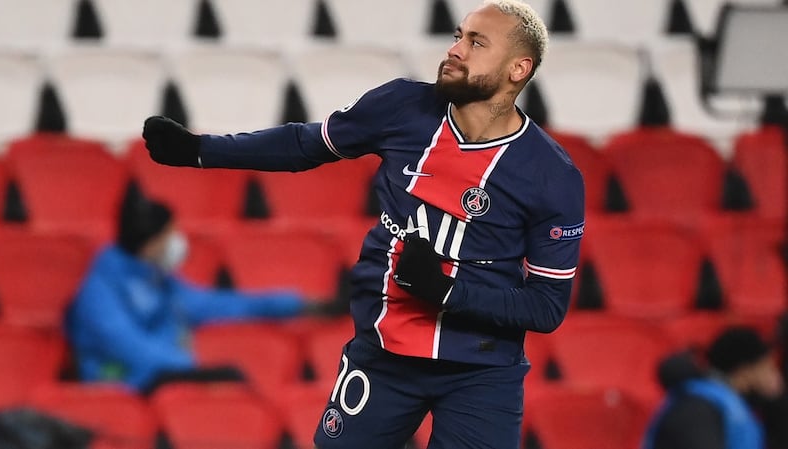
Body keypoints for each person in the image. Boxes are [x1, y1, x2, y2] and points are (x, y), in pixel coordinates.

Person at [141, 1, 584, 448]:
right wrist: (200, 150)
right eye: (458, 35)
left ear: (518, 69)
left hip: (483, 371)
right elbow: (304, 144)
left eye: (476, 42)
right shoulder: (402, 106)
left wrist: (448, 292)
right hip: (383, 353)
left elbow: (546, 307)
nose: (455, 50)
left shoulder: (553, 177)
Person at [66, 190, 314, 394]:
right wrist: (194, 371)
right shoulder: (98, 292)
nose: (178, 241)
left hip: (167, 380)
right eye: (171, 234)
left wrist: (296, 305)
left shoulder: (159, 280)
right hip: (118, 387)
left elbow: (219, 305)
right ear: (152, 243)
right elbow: (131, 348)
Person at [643, 327, 784, 449]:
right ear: (745, 371)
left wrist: (777, 403)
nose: (775, 375)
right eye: (768, 367)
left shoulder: (740, 406)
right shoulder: (697, 406)